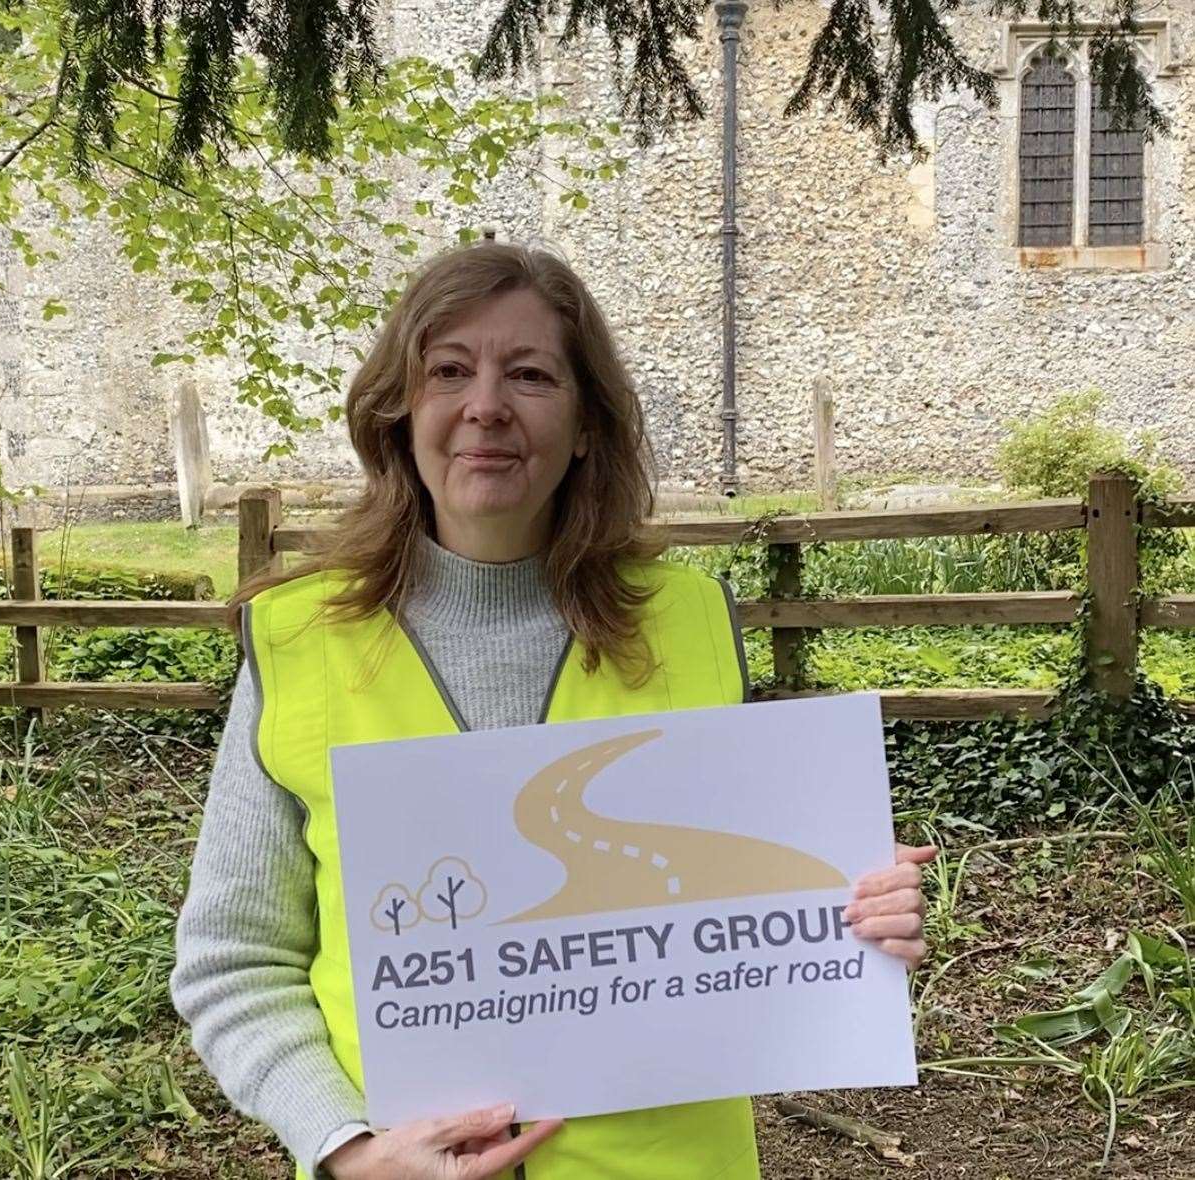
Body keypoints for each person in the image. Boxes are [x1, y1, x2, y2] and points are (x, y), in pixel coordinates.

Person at [171, 242, 935, 1180]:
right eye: (449, 370)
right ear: (401, 409)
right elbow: (232, 962)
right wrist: (346, 1146)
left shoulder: (689, 623)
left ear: (583, 425)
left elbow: (744, 912)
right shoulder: (297, 641)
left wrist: (851, 910)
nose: (485, 405)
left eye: (529, 374)